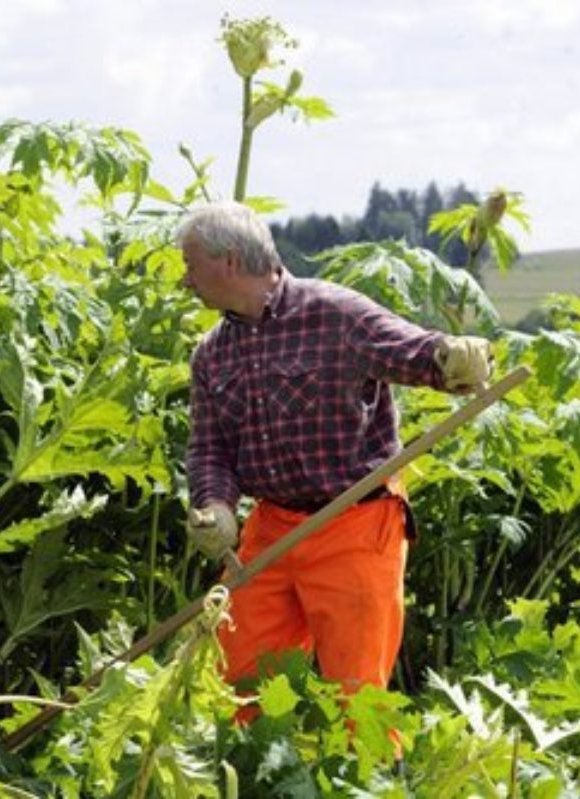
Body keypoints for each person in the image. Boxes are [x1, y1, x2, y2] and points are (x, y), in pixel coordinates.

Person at [176, 201, 491, 699]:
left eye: (191, 264)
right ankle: (255, 774)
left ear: (230, 261)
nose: (186, 279)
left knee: (356, 694)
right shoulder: (211, 354)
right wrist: (215, 509)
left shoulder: (335, 314)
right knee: (237, 683)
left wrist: (452, 359)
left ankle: (370, 776)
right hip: (271, 528)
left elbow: (411, 351)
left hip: (355, 522)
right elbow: (209, 449)